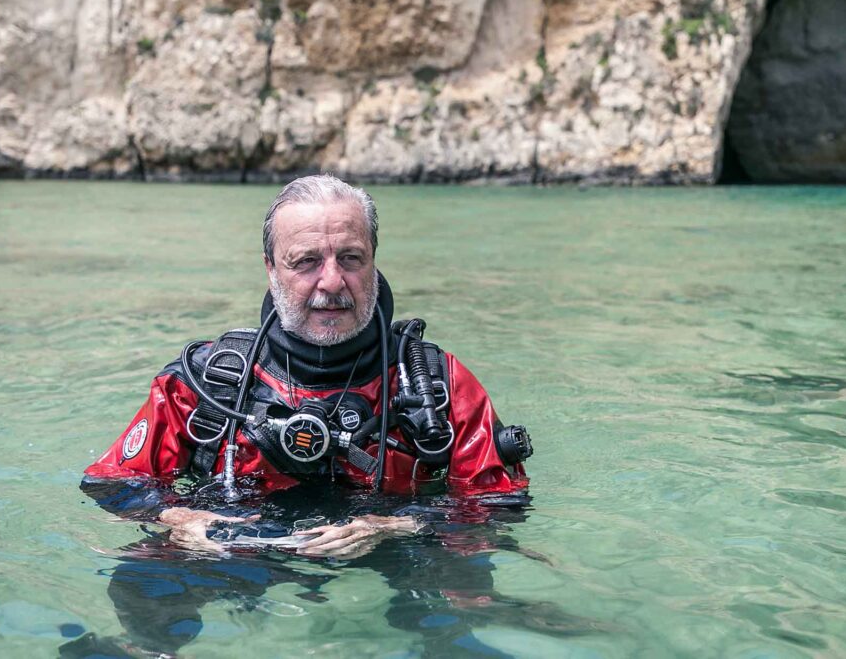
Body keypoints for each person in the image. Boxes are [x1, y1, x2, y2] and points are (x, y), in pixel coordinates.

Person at [82, 174, 533, 558]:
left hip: (394, 557)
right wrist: (176, 515)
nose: (332, 281)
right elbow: (110, 482)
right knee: (147, 575)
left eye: (351, 258)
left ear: (374, 263)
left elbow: (499, 503)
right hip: (234, 553)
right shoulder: (203, 384)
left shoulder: (439, 385)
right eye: (306, 261)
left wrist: (397, 528)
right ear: (271, 270)